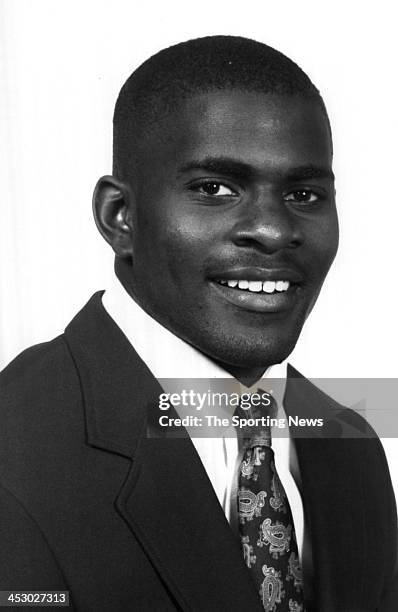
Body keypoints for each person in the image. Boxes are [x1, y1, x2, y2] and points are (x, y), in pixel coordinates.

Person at [0, 35, 396, 612]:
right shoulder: (14, 457)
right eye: (214, 189)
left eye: (304, 193)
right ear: (120, 217)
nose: (272, 230)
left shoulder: (350, 445)